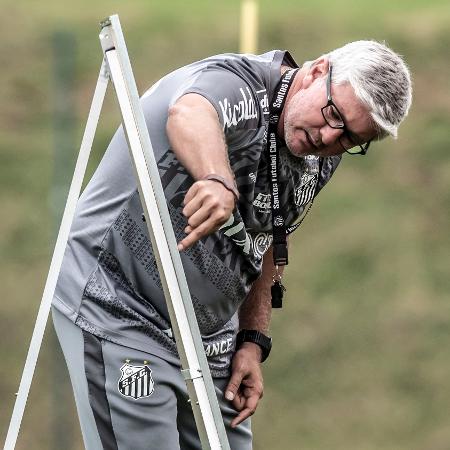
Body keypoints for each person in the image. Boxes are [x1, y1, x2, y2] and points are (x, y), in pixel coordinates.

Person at [52, 40, 412, 449]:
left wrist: (252, 341)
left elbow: (267, 240)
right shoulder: (238, 84)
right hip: (121, 309)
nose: (328, 137)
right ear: (317, 71)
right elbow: (189, 111)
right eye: (333, 115)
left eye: (349, 138)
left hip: (212, 340)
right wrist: (216, 179)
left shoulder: (322, 153)